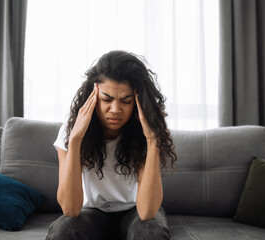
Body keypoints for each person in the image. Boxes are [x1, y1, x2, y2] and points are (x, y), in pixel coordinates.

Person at [46, 50, 177, 240]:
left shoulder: (145, 131)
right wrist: (75, 140)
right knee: (64, 230)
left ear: (138, 102)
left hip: (135, 210)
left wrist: (152, 141)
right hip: (92, 212)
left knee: (149, 231)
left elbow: (147, 212)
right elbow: (70, 209)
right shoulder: (71, 129)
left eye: (126, 101)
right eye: (106, 99)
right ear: (92, 95)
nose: (115, 110)